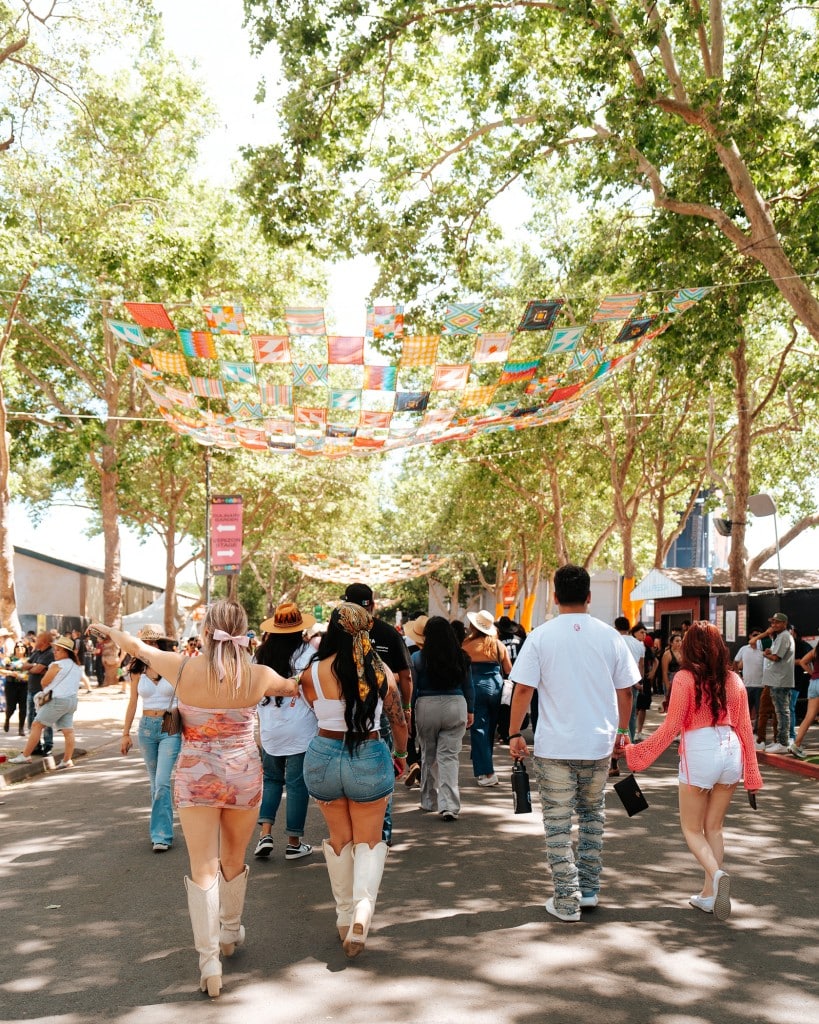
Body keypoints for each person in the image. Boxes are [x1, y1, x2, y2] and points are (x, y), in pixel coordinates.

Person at [89, 601, 298, 998]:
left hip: (195, 777)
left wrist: (107, 630)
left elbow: (137, 647)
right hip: (243, 775)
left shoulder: (182, 668)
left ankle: (209, 962)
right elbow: (295, 687)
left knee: (203, 866)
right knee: (235, 858)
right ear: (244, 633)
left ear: (205, 632)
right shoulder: (260, 675)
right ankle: (230, 931)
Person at [507, 565, 638, 921]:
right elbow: (626, 690)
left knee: (558, 822)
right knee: (593, 816)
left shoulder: (540, 636)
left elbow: (522, 689)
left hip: (555, 748)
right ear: (589, 596)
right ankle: (590, 889)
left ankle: (567, 899)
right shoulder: (611, 636)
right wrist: (623, 731)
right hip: (598, 745)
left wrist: (515, 732)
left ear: (554, 595)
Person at [626, 621, 762, 920]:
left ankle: (716, 875)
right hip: (731, 750)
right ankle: (709, 895)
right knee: (714, 827)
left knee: (691, 828)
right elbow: (745, 729)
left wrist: (636, 754)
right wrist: (752, 774)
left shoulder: (685, 678)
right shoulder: (734, 680)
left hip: (700, 750)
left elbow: (671, 726)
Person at [299, 602, 408, 957]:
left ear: (331, 630)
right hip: (369, 753)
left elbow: (312, 709)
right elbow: (399, 721)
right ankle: (363, 911)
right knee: (369, 841)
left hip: (323, 755)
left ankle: (344, 917)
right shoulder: (381, 671)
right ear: (367, 629)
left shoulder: (311, 672)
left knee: (339, 840)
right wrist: (402, 755)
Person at [341, 583, 411, 846]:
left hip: (339, 717)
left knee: (346, 779)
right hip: (379, 714)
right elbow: (406, 675)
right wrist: (405, 708)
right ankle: (381, 837)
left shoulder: (337, 635)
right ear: (372, 604)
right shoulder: (387, 633)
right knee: (382, 778)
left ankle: (354, 838)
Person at [252, 602, 318, 861]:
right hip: (301, 728)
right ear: (300, 628)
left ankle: (264, 835)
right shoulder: (309, 655)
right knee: (296, 785)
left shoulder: (259, 655)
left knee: (271, 780)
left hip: (270, 728)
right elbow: (313, 692)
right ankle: (293, 842)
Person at [121, 625, 183, 851]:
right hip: (146, 727)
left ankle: (161, 836)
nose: (149, 646)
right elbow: (133, 702)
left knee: (162, 782)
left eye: (153, 642)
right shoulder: (136, 669)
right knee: (155, 783)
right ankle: (162, 830)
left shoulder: (173, 665)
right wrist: (125, 733)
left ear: (161, 644)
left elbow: (186, 697)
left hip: (171, 723)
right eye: (145, 642)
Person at [411, 616, 474, 820]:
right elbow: (468, 686)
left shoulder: (418, 658)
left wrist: (409, 711)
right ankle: (449, 806)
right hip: (456, 704)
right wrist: (471, 710)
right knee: (449, 757)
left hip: (426, 706)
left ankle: (429, 801)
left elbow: (412, 688)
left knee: (428, 755)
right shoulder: (462, 657)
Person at [10, 635, 83, 768]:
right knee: (68, 731)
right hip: (71, 701)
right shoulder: (76, 667)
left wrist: (47, 688)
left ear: (66, 652)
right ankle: (67, 760)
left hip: (57, 700)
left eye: (58, 650)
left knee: (36, 725)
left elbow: (44, 681)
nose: (54, 652)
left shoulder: (57, 665)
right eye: (55, 649)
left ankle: (25, 756)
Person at [462, 609, 512, 787]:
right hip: (496, 686)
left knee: (479, 729)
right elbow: (508, 670)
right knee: (490, 728)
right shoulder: (498, 645)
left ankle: (488, 772)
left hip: (475, 687)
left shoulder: (466, 646)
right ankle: (485, 765)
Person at [753, 613, 795, 754]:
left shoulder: (784, 636)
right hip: (774, 680)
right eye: (772, 622)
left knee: (782, 712)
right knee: (776, 711)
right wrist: (770, 652)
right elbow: (775, 654)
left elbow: (776, 658)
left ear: (785, 623)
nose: (774, 625)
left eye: (777, 622)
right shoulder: (781, 636)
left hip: (780, 681)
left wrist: (766, 654)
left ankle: (782, 743)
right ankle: (777, 741)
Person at [19, 632, 55, 754]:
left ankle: (48, 745)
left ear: (44, 641)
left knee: (44, 717)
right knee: (32, 718)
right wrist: (33, 666)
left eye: (38, 639)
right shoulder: (37, 652)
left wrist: (34, 668)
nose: (35, 640)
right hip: (32, 690)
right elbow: (25, 666)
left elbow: (38, 669)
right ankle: (35, 745)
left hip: (43, 691)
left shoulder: (50, 653)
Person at [789, 640, 819, 759]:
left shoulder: (816, 650)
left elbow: (802, 661)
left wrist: (813, 673)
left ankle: (796, 745)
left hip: (814, 683)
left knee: (809, 716)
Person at [733, 630, 765, 728]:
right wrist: (738, 675)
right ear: (750, 636)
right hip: (747, 685)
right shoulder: (744, 649)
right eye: (754, 635)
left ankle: (757, 732)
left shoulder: (763, 651)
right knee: (746, 710)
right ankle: (744, 729)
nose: (756, 638)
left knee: (760, 711)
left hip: (760, 685)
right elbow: (735, 662)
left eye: (759, 636)